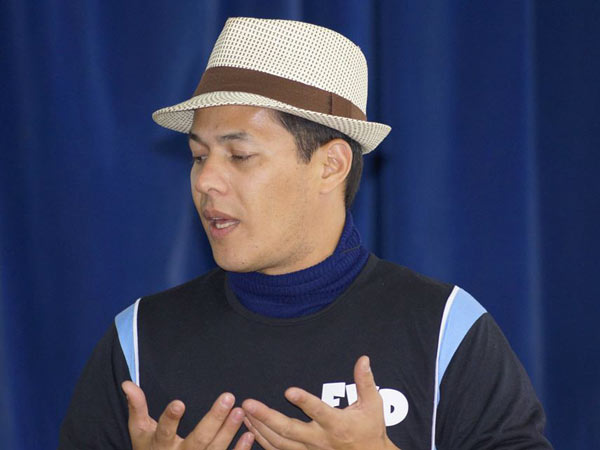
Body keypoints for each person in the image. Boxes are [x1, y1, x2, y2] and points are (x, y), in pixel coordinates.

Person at [59, 17, 552, 450]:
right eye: (198, 156)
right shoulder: (139, 338)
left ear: (330, 165)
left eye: (239, 155)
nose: (206, 181)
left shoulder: (446, 329)